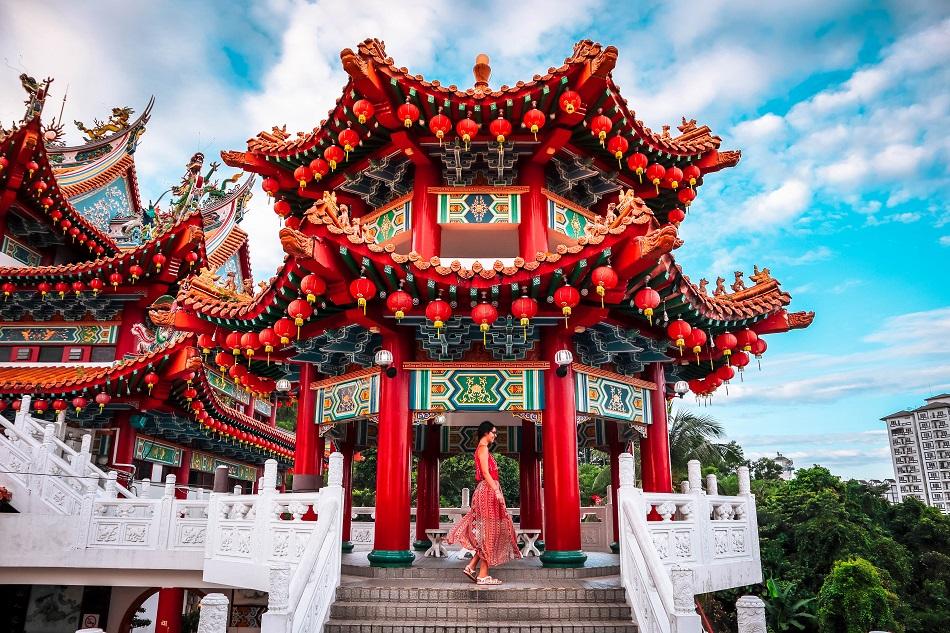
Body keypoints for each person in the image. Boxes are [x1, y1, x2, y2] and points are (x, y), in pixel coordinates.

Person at [447, 421, 521, 585]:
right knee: (490, 532)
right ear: (486, 433)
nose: (495, 435)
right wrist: (496, 491)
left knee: (489, 532)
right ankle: (482, 575)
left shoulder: (482, 449)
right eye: (494, 432)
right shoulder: (483, 449)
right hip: (487, 491)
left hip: (488, 491)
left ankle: (472, 567)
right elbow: (486, 473)